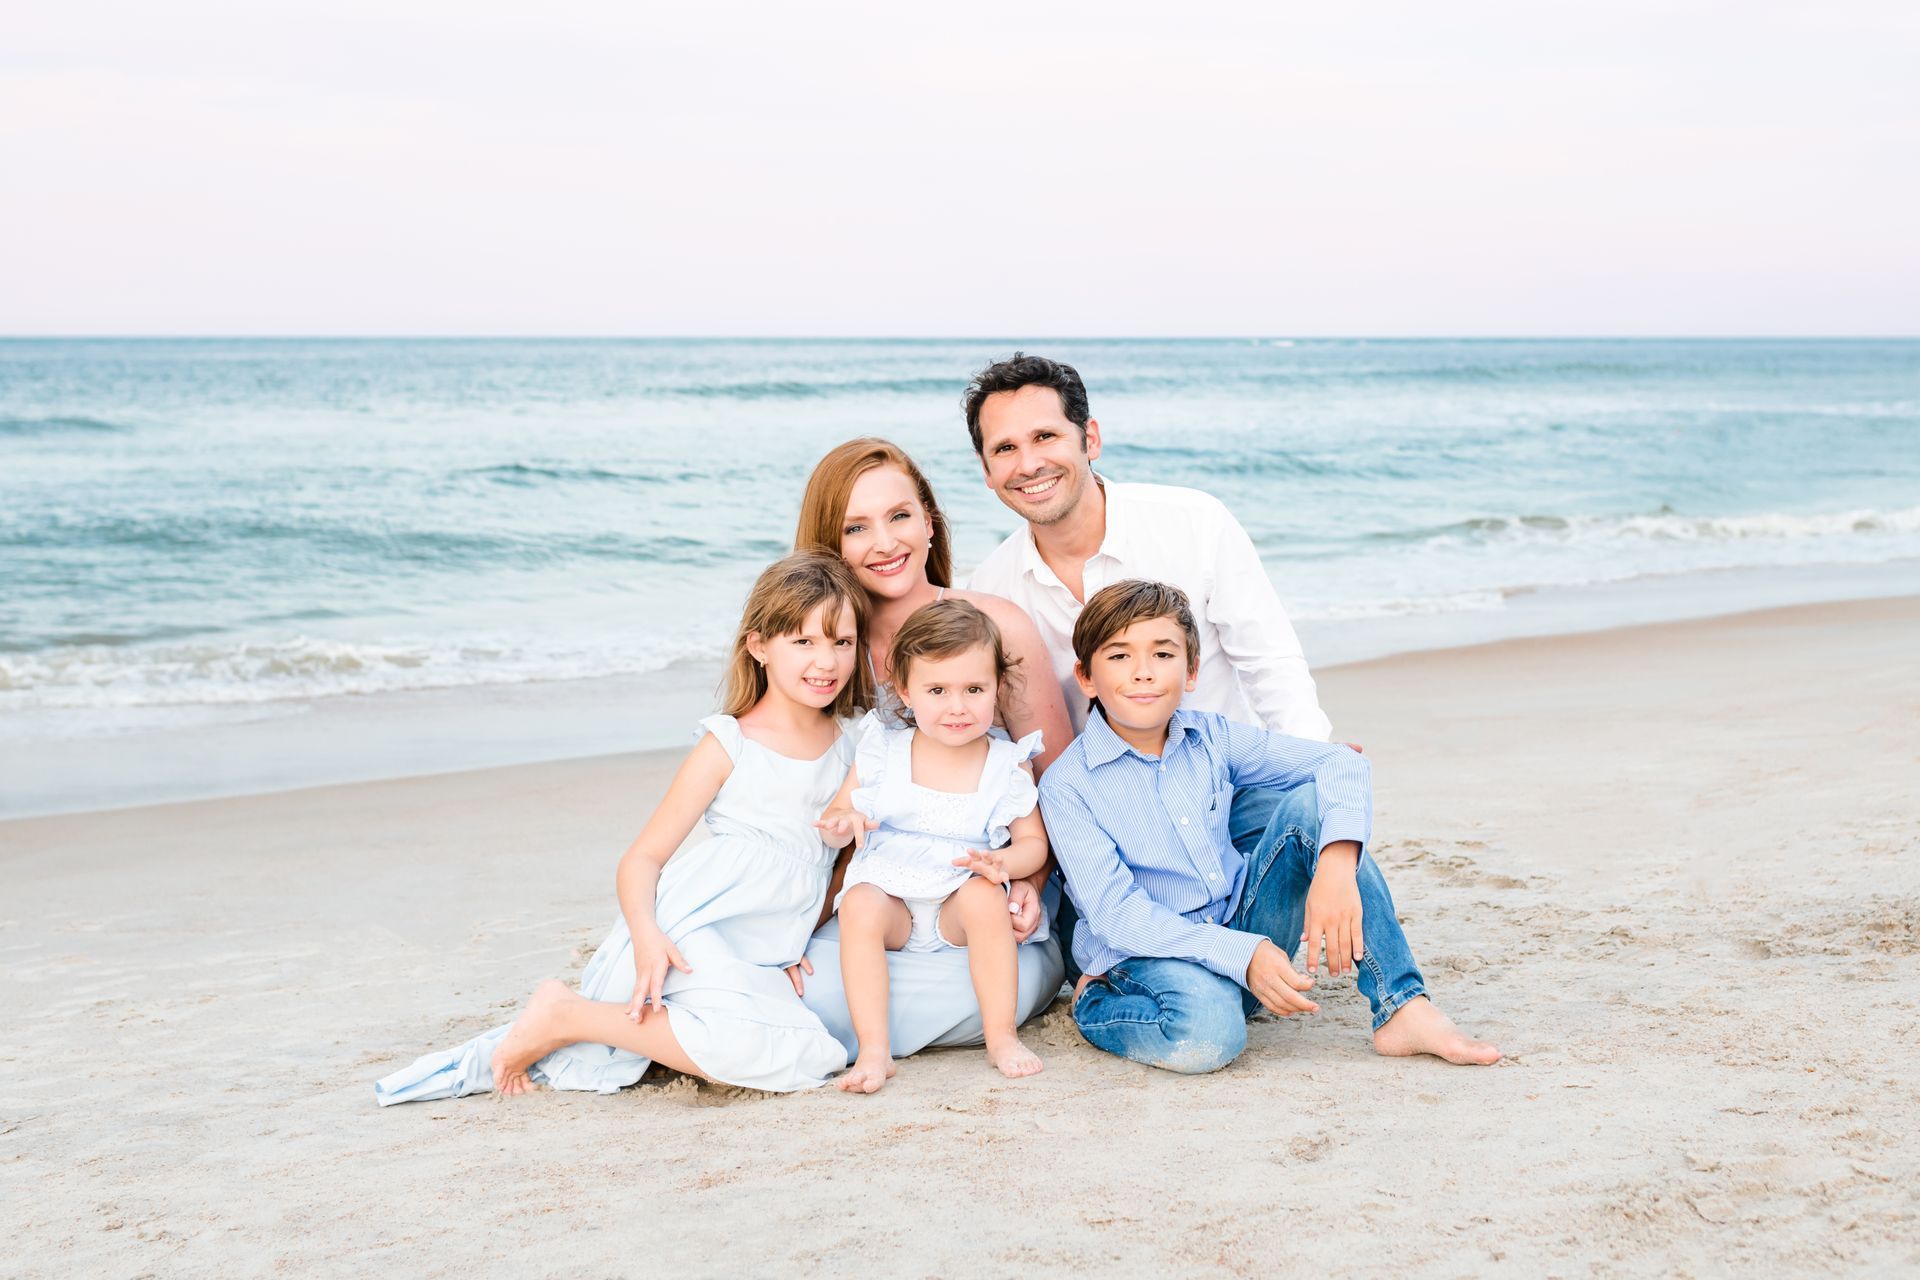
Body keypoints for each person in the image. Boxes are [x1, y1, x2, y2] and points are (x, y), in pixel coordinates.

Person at [372, 551, 868, 1103]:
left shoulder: (852, 748)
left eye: (841, 642)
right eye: (804, 642)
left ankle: (572, 1016)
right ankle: (566, 1016)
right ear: (759, 647)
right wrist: (647, 938)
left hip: (767, 943)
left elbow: (837, 868)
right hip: (693, 928)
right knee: (767, 1050)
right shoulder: (730, 743)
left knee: (807, 1052)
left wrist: (802, 932)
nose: (826, 661)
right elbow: (643, 858)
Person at [960, 352, 1345, 977]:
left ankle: (1404, 1007)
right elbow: (1009, 741)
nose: (1027, 464)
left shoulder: (1194, 523)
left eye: (1045, 437)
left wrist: (1312, 775)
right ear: (985, 470)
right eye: (1004, 448)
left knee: (1322, 803)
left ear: (1089, 439)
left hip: (1228, 790)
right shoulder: (995, 587)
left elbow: (1269, 660)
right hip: (1114, 829)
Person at [1038, 578, 1500, 1074]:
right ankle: (1100, 1006)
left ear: (1191, 670)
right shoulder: (1069, 785)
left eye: (1163, 654)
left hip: (1241, 923)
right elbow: (1118, 917)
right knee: (1210, 1036)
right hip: (1145, 957)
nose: (1143, 673)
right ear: (1086, 677)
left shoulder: (1211, 738)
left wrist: (1336, 866)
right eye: (1119, 656)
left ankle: (1403, 1007)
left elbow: (1340, 765)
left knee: (1313, 810)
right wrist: (1243, 951)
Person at [790, 439, 1067, 1061]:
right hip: (871, 890)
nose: (885, 543)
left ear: (929, 520)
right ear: (829, 546)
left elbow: (1061, 783)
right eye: (855, 527)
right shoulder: (821, 649)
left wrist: (1033, 877)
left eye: (899, 516)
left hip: (978, 898)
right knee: (799, 986)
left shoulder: (994, 626)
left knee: (981, 982)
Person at [815, 601, 1048, 1091]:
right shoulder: (883, 750)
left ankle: (1000, 1036)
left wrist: (1001, 862)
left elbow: (1034, 845)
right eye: (937, 690)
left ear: (996, 689)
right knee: (859, 904)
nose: (957, 706)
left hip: (958, 897)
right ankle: (875, 1049)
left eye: (974, 690)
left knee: (985, 898)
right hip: (892, 892)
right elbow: (836, 817)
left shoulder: (1007, 763)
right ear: (905, 690)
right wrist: (845, 822)